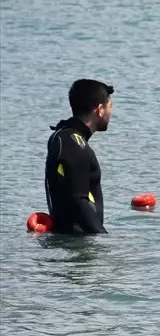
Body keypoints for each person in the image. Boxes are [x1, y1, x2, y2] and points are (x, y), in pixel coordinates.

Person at [45, 79, 113, 235]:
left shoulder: (65, 136)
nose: (112, 113)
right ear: (100, 109)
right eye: (110, 107)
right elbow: (78, 200)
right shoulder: (74, 144)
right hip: (78, 243)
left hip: (75, 241)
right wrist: (103, 239)